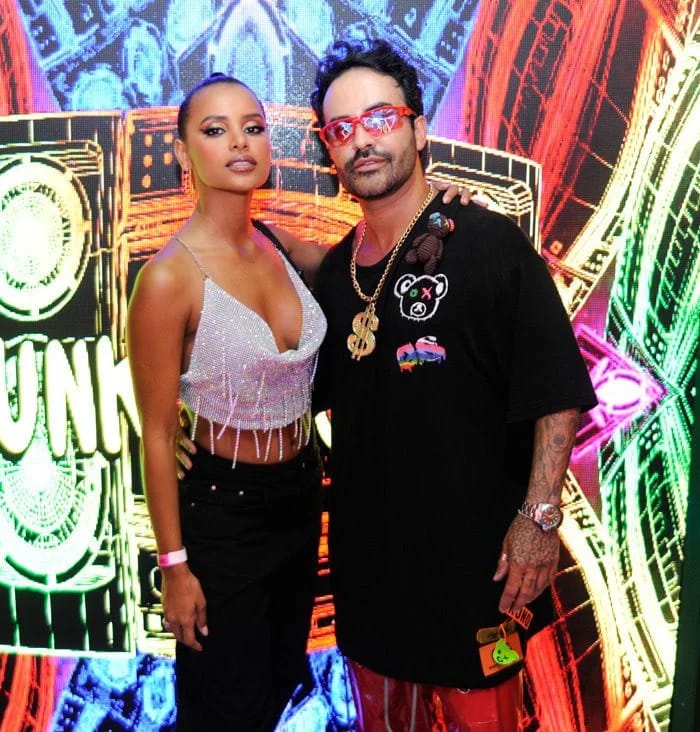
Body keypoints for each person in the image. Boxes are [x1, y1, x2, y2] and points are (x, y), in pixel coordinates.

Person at [129, 71, 471, 731]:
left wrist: (437, 207)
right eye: (215, 129)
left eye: (253, 127)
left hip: (300, 499)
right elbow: (157, 434)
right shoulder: (168, 277)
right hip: (223, 513)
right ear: (181, 152)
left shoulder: (278, 246)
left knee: (274, 688)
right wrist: (174, 567)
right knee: (224, 707)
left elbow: (373, 262)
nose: (239, 142)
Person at [308, 39, 597, 731]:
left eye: (380, 118)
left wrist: (539, 519)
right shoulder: (335, 275)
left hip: (479, 577)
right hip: (371, 577)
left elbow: (555, 391)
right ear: (329, 151)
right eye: (341, 129)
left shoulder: (488, 243)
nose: (362, 141)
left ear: (417, 129)